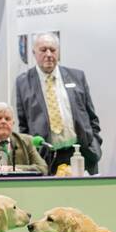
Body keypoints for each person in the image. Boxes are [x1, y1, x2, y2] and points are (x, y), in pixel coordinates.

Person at [14, 32, 102, 175]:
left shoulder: (77, 77)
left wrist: (94, 145)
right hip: (46, 158)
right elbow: (24, 126)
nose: (48, 54)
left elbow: (92, 117)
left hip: (81, 154)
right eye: (43, 50)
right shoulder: (23, 82)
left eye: (53, 50)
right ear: (34, 53)